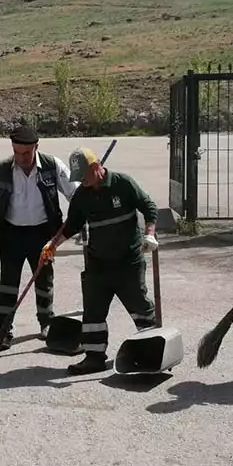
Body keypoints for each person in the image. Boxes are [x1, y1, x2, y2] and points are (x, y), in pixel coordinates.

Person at [39, 147, 160, 375]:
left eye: (84, 176)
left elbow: (149, 206)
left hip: (128, 261)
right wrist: (52, 244)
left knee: (140, 308)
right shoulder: (82, 196)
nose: (82, 181)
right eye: (78, 178)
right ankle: (94, 358)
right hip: (98, 264)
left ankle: (153, 353)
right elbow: (71, 225)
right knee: (93, 313)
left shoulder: (123, 184)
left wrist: (150, 233)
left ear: (96, 167)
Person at [0, 125, 77, 349]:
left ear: (36, 147)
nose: (21, 158)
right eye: (17, 152)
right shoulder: (2, 170)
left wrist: (79, 215)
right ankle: (3, 330)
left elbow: (74, 192)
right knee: (8, 283)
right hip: (11, 233)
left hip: (43, 234)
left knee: (44, 279)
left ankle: (46, 322)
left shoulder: (51, 166)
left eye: (26, 153)